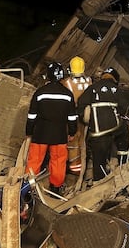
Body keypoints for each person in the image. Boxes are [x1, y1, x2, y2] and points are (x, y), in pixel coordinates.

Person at [25, 61, 78, 195]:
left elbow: (32, 115)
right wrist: (72, 132)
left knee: (34, 161)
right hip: (59, 135)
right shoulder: (67, 94)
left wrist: (29, 131)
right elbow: (72, 117)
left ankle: (28, 189)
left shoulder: (40, 93)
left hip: (40, 133)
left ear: (48, 76)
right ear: (61, 76)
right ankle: (55, 189)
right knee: (59, 162)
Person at [77, 67, 129, 182]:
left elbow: (80, 105)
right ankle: (123, 161)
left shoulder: (92, 88)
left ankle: (99, 181)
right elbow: (124, 108)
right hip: (115, 127)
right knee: (124, 131)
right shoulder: (116, 89)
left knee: (99, 159)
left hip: (97, 132)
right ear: (115, 79)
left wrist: (86, 119)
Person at [61, 55, 92, 175]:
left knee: (72, 142)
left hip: (72, 116)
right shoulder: (89, 81)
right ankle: (81, 167)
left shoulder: (67, 82)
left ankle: (73, 169)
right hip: (86, 115)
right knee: (83, 141)